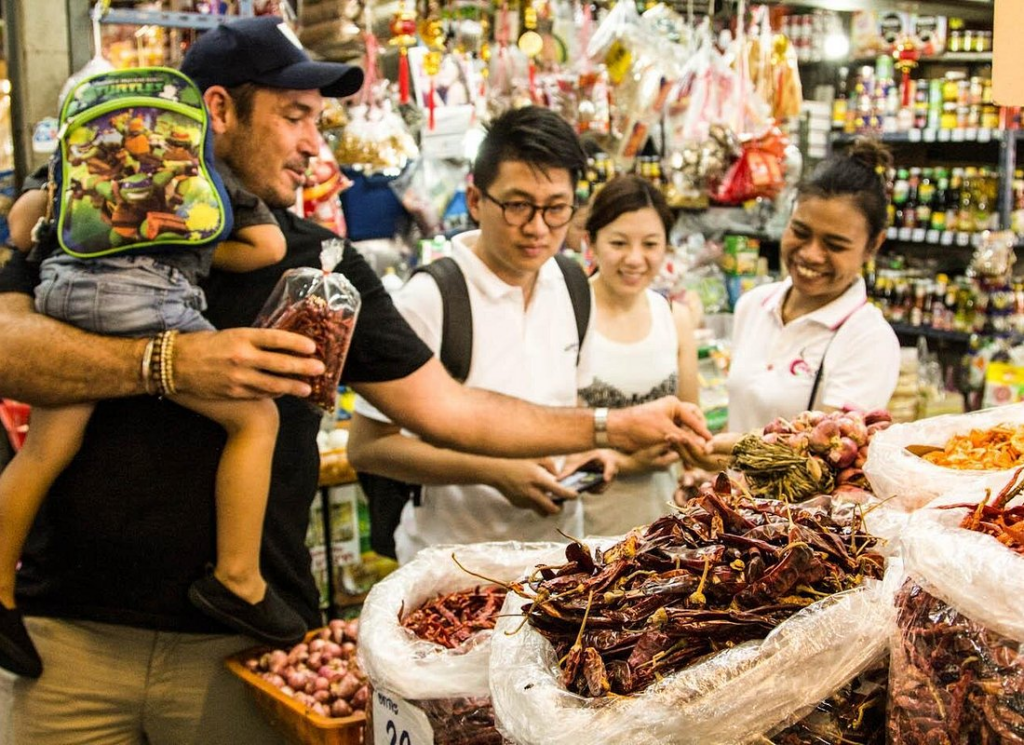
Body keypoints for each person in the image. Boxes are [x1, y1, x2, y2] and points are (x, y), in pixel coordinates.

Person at [0, 16, 708, 744]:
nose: (315, 143)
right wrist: (172, 362)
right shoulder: (94, 220)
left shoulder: (322, 262)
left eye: (320, 121)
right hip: (69, 639)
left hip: (241, 647)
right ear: (219, 110)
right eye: (295, 117)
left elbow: (444, 406)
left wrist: (611, 425)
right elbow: (7, 348)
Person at [0, 155, 301, 680]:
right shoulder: (195, 157)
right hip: (151, 301)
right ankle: (239, 580)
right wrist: (196, 243)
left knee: (46, 450)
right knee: (255, 420)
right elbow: (267, 246)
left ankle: (0, 589)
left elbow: (23, 228)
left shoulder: (75, 154)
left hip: (63, 299)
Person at [347, 106, 616, 564]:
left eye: (556, 209)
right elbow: (368, 447)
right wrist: (494, 473)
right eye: (517, 206)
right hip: (454, 566)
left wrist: (588, 455)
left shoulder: (573, 286)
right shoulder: (433, 297)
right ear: (476, 200)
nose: (537, 228)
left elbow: (571, 409)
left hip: (556, 561)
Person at [694, 138, 900, 469]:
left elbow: (834, 460)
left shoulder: (868, 339)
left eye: (834, 244)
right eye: (800, 232)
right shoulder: (753, 305)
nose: (810, 254)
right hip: (732, 506)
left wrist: (734, 452)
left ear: (873, 245)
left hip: (801, 518)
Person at [577, 175, 700, 535]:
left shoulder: (674, 319)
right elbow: (541, 440)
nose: (634, 259)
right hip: (580, 528)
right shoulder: (567, 317)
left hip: (663, 527)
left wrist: (694, 470)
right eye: (618, 242)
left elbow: (691, 425)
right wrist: (629, 462)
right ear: (591, 243)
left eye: (650, 244)